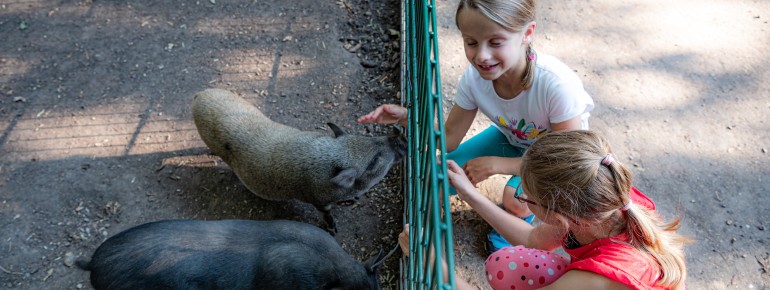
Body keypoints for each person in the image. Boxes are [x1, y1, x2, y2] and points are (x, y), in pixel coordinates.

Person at [358, 0, 594, 253]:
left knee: (515, 201)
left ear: (527, 33)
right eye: (471, 42)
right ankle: (430, 234)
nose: (481, 55)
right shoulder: (473, 80)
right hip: (512, 139)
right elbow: (448, 139)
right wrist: (409, 118)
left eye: (495, 42)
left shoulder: (556, 86)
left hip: (553, 159)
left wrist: (497, 164)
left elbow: (567, 161)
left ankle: (517, 225)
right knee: (439, 174)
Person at [442, 130, 689, 289]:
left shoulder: (599, 279)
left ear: (560, 216)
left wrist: (440, 273)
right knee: (505, 264)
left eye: (527, 197)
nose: (523, 197)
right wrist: (469, 194)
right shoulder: (603, 199)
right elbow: (532, 238)